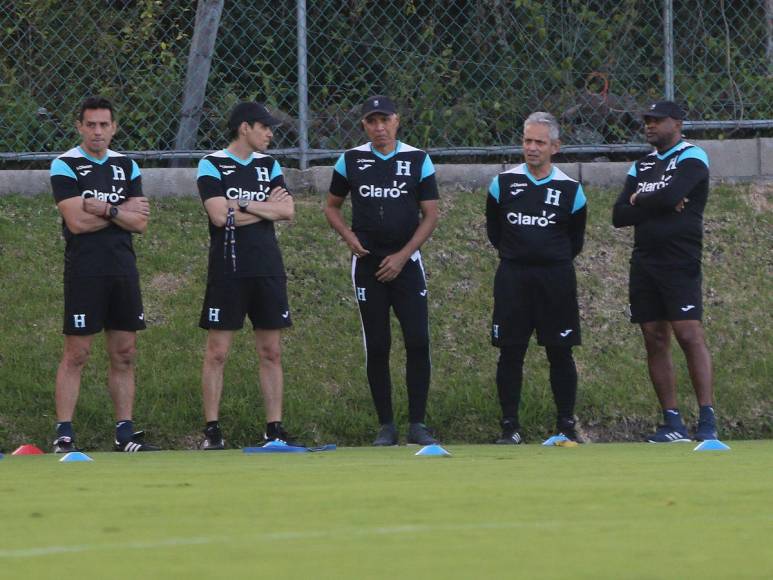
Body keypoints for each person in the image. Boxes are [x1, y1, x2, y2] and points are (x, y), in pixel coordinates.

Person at [324, 95, 440, 446]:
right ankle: (386, 424)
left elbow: (431, 214)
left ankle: (417, 423)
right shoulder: (351, 160)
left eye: (384, 120)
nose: (379, 127)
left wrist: (404, 255)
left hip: (405, 263)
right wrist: (348, 237)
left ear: (396, 121)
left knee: (418, 339)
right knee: (377, 344)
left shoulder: (417, 159)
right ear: (364, 125)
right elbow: (331, 207)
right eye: (372, 121)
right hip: (368, 265)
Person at [49, 95, 158, 452]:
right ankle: (64, 433)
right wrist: (120, 211)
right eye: (90, 124)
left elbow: (140, 222)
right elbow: (77, 221)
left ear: (114, 128)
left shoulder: (127, 166)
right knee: (77, 352)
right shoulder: (65, 165)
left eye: (104, 125)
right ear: (79, 126)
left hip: (122, 269)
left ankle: (124, 433)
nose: (97, 132)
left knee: (124, 352)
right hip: (85, 271)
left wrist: (107, 207)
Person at [612, 100, 716, 443]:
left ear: (677, 122)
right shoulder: (640, 166)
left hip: (679, 259)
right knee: (654, 338)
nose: (649, 125)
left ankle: (706, 419)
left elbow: (673, 191)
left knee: (688, 334)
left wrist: (641, 200)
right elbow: (618, 216)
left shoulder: (692, 156)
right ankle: (672, 422)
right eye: (646, 120)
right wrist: (651, 199)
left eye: (656, 120)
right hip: (645, 261)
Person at [196, 101, 296, 450]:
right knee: (218, 352)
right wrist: (257, 209)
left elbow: (286, 210)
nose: (270, 134)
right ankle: (212, 429)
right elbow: (218, 216)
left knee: (271, 351)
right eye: (265, 127)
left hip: (266, 268)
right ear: (244, 127)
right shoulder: (213, 164)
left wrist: (243, 205)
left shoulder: (269, 165)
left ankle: (274, 429)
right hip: (228, 269)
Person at [486, 112, 587, 444]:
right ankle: (509, 427)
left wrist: (548, 257)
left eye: (539, 142)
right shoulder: (502, 183)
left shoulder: (571, 190)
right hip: (513, 276)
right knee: (510, 351)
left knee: (560, 351)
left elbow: (575, 240)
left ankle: (565, 425)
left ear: (555, 147)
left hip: (555, 278)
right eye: (527, 140)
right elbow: (495, 232)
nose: (531, 148)